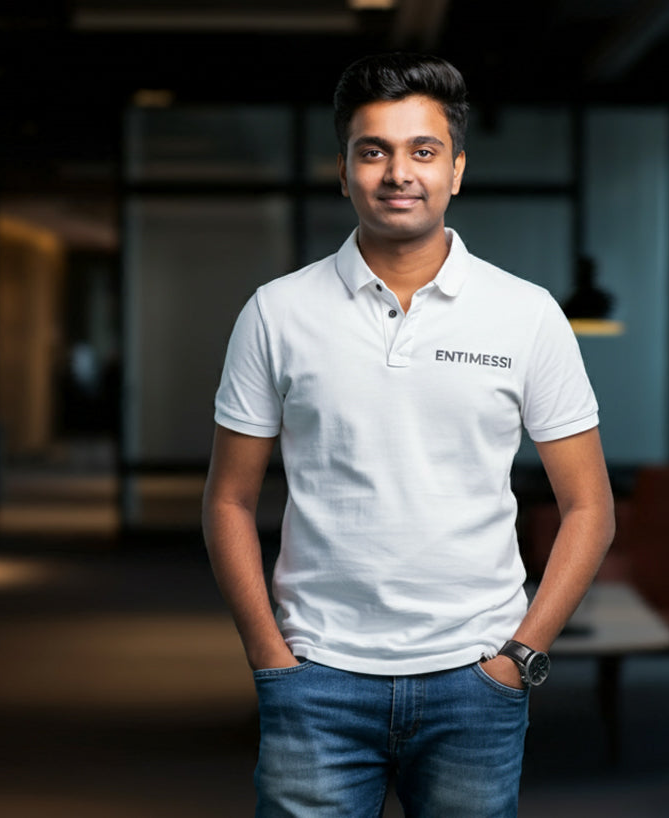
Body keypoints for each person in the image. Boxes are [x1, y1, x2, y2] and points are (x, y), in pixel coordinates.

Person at [202, 52, 615, 818]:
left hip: (475, 679)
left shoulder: (525, 315)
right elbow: (228, 499)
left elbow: (590, 507)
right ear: (344, 169)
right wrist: (270, 656)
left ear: (456, 169)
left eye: (422, 151)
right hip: (317, 677)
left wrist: (519, 657)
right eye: (374, 151)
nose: (399, 172)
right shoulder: (276, 312)